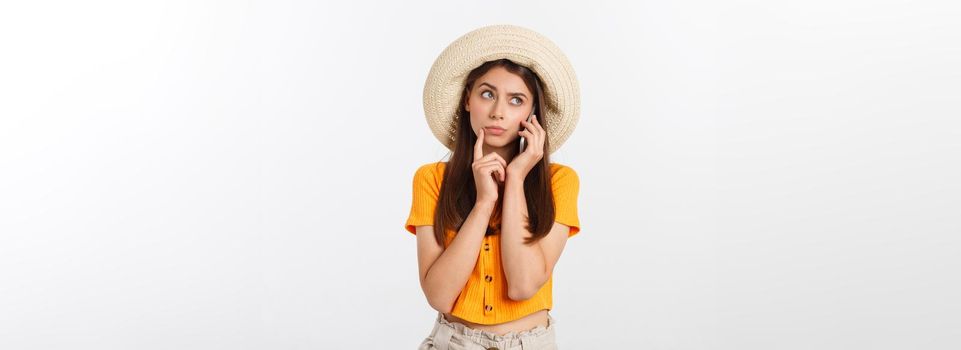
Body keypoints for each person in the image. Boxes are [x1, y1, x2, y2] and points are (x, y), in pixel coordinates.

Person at [405, 24, 582, 350]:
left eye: (516, 100)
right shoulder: (431, 179)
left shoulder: (560, 182)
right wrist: (484, 203)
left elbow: (523, 285)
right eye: (487, 94)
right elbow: (439, 296)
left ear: (532, 113)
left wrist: (515, 180)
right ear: (468, 99)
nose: (498, 112)